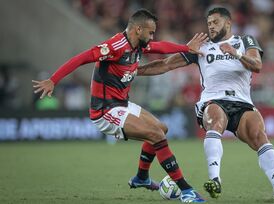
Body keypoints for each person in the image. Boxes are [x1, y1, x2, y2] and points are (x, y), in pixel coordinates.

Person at [32, 9, 207, 203]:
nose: (152, 37)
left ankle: (141, 178)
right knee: (156, 135)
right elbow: (81, 58)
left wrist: (185, 47)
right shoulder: (114, 46)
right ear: (138, 29)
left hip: (122, 104)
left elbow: (160, 47)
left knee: (161, 129)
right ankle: (186, 190)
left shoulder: (139, 45)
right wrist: (53, 80)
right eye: (150, 32)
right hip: (105, 111)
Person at [135, 7, 274, 201]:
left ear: (228, 23)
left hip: (242, 103)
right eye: (209, 23)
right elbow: (166, 64)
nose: (211, 26)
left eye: (215, 22)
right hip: (213, 100)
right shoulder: (201, 46)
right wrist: (135, 70)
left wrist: (235, 54)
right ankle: (215, 180)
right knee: (216, 118)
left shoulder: (245, 41)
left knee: (259, 135)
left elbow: (257, 65)